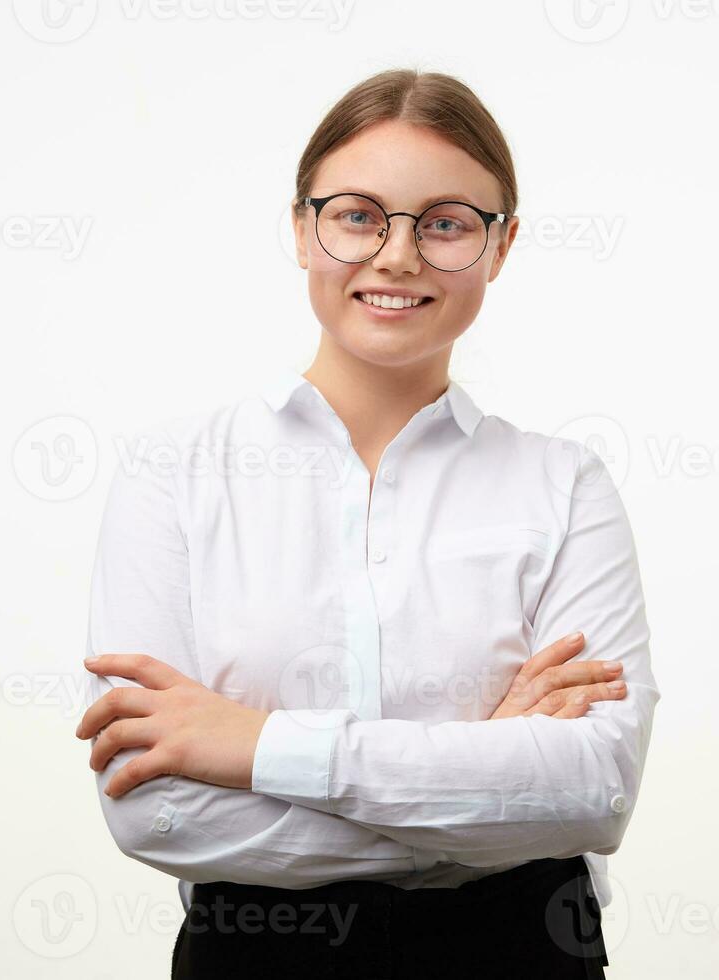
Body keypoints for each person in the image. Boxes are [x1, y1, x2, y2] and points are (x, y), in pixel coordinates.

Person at [74, 68, 660, 979]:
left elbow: (594, 792)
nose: (397, 256)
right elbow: (154, 811)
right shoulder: (174, 476)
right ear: (304, 229)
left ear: (499, 248)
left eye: (446, 223)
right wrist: (488, 780)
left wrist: (257, 744)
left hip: (519, 959)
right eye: (357, 215)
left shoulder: (563, 486)